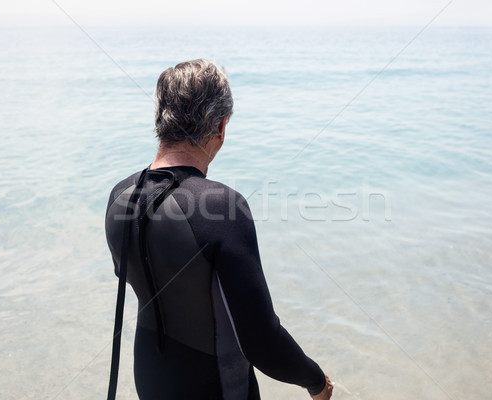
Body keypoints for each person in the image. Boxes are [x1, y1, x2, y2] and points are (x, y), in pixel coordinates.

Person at [105, 59, 333, 400]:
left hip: (150, 378)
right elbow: (262, 341)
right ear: (221, 126)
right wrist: (315, 381)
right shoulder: (221, 207)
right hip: (217, 389)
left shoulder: (120, 197)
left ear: (160, 121)